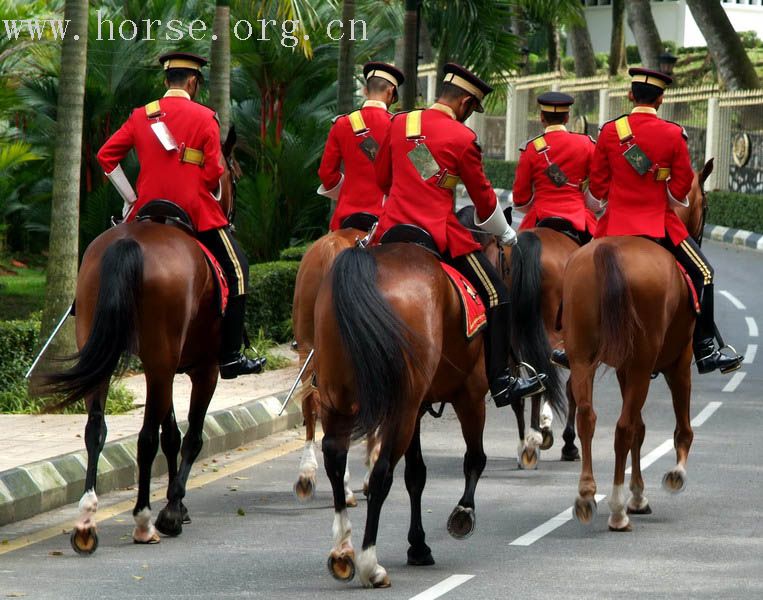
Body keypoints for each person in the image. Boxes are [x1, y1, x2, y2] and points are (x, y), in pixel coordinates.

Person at [374, 63, 547, 408]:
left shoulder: (400, 122)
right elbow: (484, 205)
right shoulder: (463, 138)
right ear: (466, 104)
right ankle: (501, 382)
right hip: (438, 234)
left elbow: (382, 180)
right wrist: (508, 234)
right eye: (472, 110)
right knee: (497, 295)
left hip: (391, 229)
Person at [553, 67, 743, 375]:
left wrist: (606, 200)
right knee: (705, 272)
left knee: (575, 266)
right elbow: (682, 186)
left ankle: (565, 341)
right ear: (661, 99)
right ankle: (706, 348)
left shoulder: (611, 131)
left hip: (613, 226)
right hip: (660, 225)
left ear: (630, 96)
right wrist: (662, 191)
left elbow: (597, 189)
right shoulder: (672, 134)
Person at [97, 51, 265, 379]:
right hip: (194, 213)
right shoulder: (205, 116)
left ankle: (81, 306)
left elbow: (106, 156)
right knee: (238, 268)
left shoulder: (140, 115)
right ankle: (231, 356)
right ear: (192, 82)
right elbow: (216, 171)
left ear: (165, 80)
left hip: (146, 211)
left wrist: (132, 198)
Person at [317, 62, 404, 230]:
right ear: (391, 91)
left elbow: (326, 174)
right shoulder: (400, 125)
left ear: (365, 91)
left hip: (345, 217)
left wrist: (349, 191)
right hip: (385, 219)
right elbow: (424, 171)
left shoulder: (342, 123)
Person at [512, 92, 597, 243]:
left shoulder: (531, 148)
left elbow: (520, 198)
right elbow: (598, 185)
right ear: (567, 118)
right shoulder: (586, 144)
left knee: (510, 258)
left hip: (540, 215)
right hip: (577, 216)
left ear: (542, 118)